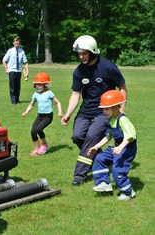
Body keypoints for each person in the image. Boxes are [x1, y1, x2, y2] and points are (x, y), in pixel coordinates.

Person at [61, 35, 127, 186]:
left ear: (92, 51)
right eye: (79, 53)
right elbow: (76, 94)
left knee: (91, 136)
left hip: (104, 111)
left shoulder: (108, 67)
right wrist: (68, 114)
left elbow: (122, 88)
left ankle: (79, 175)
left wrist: (121, 110)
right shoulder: (79, 71)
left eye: (84, 53)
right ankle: (99, 159)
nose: (81, 56)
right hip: (85, 111)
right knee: (77, 136)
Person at [87, 90, 137, 201]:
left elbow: (130, 136)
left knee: (118, 168)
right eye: (103, 108)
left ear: (115, 108)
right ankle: (104, 183)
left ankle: (128, 192)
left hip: (127, 148)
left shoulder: (123, 120)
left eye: (106, 109)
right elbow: (108, 136)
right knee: (100, 158)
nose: (104, 111)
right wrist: (97, 146)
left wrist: (120, 147)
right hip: (118, 146)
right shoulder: (112, 119)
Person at [22, 72, 63, 156]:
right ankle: (36, 149)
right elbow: (31, 105)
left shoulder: (49, 93)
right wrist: (26, 111)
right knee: (33, 132)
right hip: (40, 116)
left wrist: (60, 112)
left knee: (38, 129)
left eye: (40, 84)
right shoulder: (35, 94)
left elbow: (58, 102)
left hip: (48, 116)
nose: (38, 86)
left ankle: (44, 144)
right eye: (37, 84)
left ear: (45, 85)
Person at [2, 37, 29, 104]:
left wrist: (27, 72)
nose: (16, 44)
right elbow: (4, 60)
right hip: (12, 71)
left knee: (18, 87)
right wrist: (6, 69)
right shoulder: (10, 51)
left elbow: (25, 62)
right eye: (15, 43)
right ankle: (14, 102)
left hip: (19, 71)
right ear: (13, 43)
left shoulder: (22, 51)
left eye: (18, 43)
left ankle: (17, 100)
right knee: (12, 87)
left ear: (19, 44)